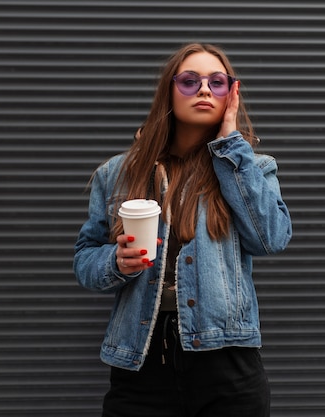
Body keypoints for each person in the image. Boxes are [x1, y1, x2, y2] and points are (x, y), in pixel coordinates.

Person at [74, 43, 292, 417]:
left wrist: (230, 147)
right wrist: (116, 261)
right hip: (141, 362)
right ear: (169, 93)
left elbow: (271, 238)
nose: (204, 90)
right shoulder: (118, 172)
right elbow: (84, 259)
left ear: (231, 95)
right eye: (190, 81)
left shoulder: (252, 167)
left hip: (226, 364)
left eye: (217, 82)